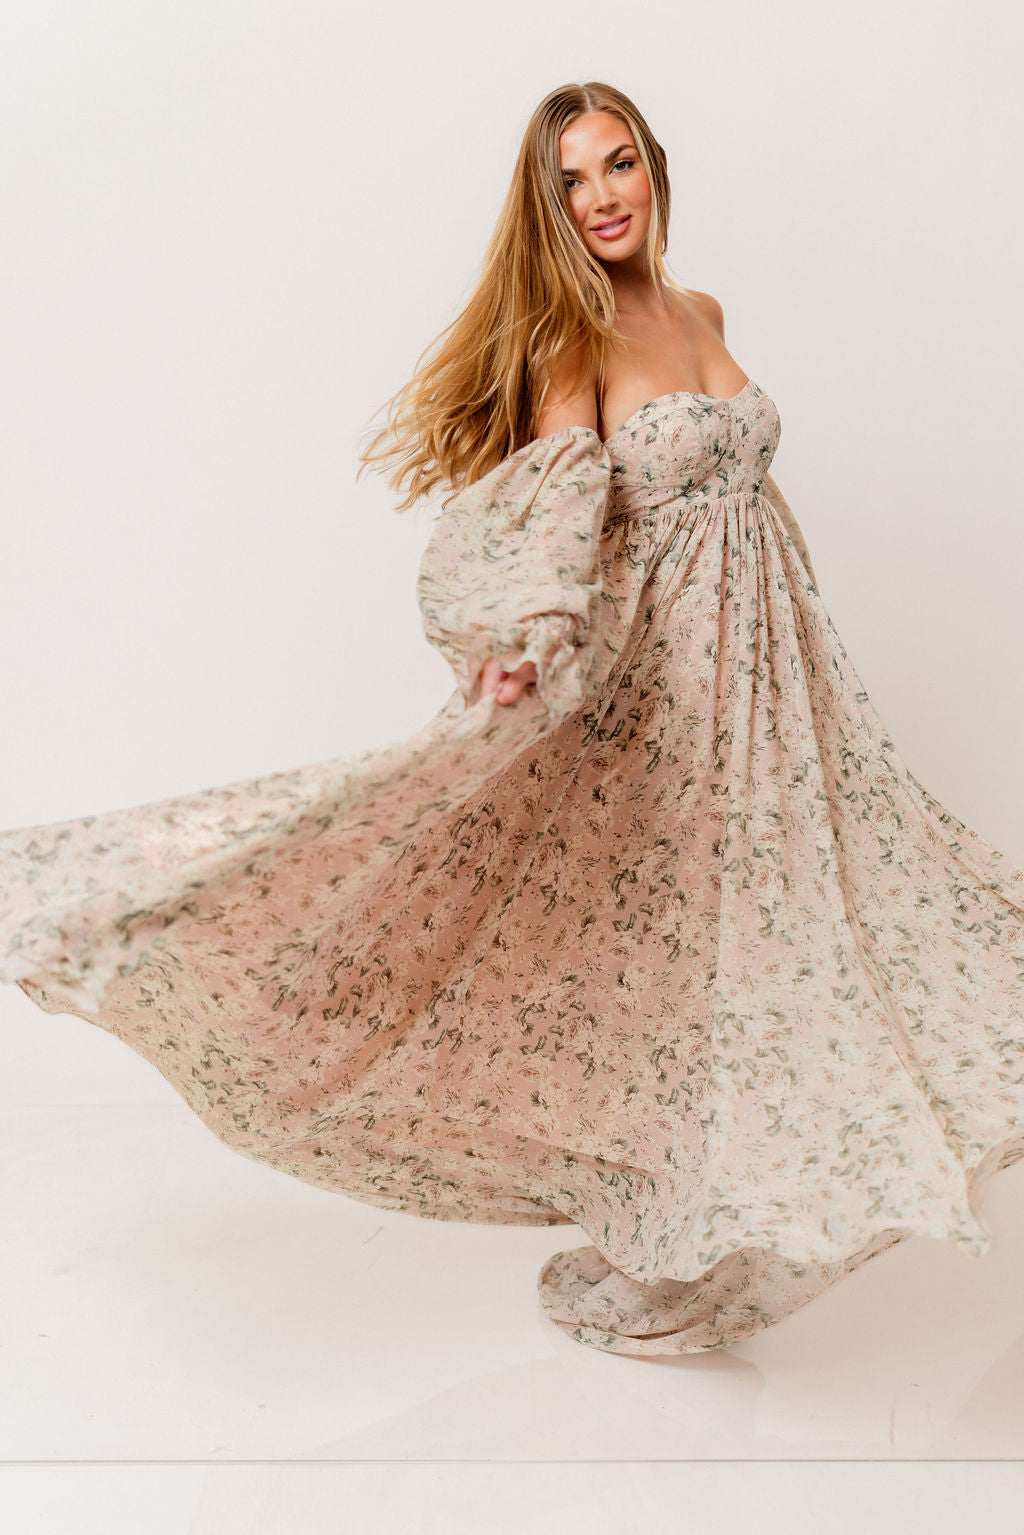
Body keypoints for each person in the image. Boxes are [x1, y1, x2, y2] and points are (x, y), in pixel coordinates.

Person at [2, 81, 1023, 1359]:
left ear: (654, 168)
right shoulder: (568, 342)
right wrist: (526, 640)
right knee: (668, 954)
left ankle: (728, 1203)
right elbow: (558, 508)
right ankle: (662, 1228)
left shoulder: (701, 312)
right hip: (665, 693)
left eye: (618, 164)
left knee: (796, 932)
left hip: (774, 678)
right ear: (548, 206)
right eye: (572, 181)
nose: (601, 197)